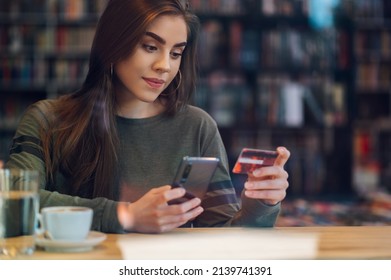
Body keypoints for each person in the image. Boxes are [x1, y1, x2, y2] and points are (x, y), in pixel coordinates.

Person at [4, 0, 290, 233]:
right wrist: (124, 215)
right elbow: (14, 202)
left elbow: (222, 237)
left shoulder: (197, 126)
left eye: (176, 53)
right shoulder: (47, 120)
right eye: (150, 47)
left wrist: (260, 204)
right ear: (113, 45)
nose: (164, 66)